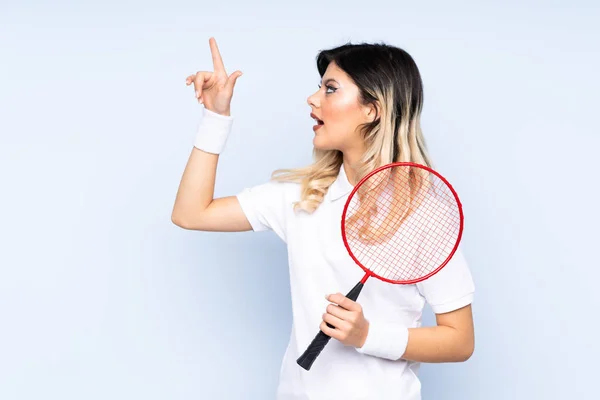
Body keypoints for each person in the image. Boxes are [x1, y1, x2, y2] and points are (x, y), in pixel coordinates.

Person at [172, 37, 475, 400]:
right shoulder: (302, 197)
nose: (313, 99)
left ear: (372, 109)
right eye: (319, 87)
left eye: (331, 89)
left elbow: (460, 340)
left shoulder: (425, 213)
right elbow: (190, 213)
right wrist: (215, 117)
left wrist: (367, 336)